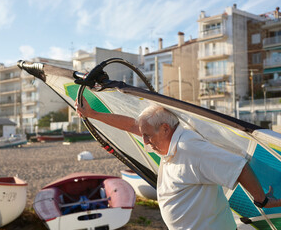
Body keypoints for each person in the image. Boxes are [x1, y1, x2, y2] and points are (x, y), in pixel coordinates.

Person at [75, 97, 280, 230]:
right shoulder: (164, 140)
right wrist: (92, 114)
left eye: (147, 136)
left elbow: (238, 166)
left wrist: (262, 200)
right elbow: (130, 125)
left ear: (165, 128)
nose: (144, 141)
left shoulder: (190, 148)